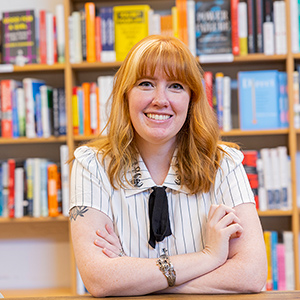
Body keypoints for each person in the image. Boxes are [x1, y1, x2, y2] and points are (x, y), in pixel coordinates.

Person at [69, 35, 267, 297]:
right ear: (125, 95)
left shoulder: (224, 163)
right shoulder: (91, 164)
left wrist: (135, 278)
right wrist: (209, 257)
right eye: (146, 84)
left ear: (191, 99)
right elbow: (100, 280)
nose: (160, 99)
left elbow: (251, 275)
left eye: (176, 86)